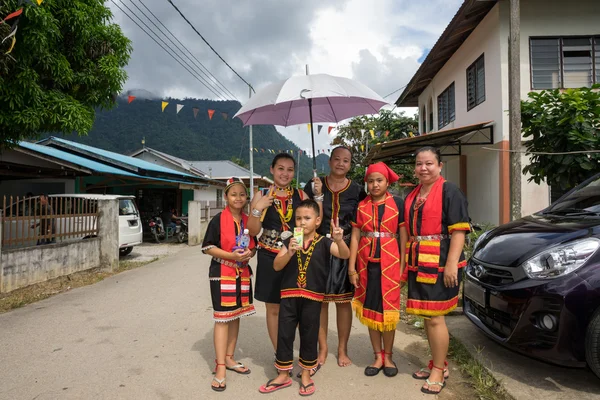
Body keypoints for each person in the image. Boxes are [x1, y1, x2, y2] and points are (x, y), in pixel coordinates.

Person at [258, 199, 349, 396]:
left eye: (307, 218)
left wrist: (339, 239)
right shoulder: (290, 241)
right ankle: (283, 374)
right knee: (285, 334)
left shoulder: (325, 242)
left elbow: (344, 254)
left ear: (317, 221)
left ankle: (306, 374)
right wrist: (289, 251)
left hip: (313, 298)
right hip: (289, 296)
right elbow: (276, 266)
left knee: (309, 335)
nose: (301, 222)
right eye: (298, 218)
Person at [403, 146, 470, 395]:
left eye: (429, 163)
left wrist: (452, 263)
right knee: (427, 317)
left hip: (441, 261)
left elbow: (459, 230)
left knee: (435, 318)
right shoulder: (414, 193)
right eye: (420, 163)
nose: (424, 168)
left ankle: (439, 370)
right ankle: (437, 364)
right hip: (419, 259)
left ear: (440, 166)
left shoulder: (450, 190)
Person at [304, 146, 366, 368]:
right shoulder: (314, 185)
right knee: (320, 302)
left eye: (346, 160)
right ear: (329, 161)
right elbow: (303, 215)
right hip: (319, 247)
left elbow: (363, 221)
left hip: (345, 248)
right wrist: (317, 194)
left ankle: (342, 349)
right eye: (337, 159)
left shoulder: (358, 190)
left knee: (342, 302)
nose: (341, 163)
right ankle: (323, 349)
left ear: (350, 165)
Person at [247, 153, 312, 353]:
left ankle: (305, 354)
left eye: (290, 169)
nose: (285, 173)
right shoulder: (262, 195)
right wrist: (258, 209)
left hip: (294, 255)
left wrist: (298, 246)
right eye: (281, 168)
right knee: (273, 308)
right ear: (272, 169)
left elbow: (308, 225)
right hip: (268, 254)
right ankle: (281, 354)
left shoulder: (301, 196)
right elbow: (253, 231)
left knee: (299, 307)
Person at [348, 162, 407, 378]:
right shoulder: (361, 206)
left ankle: (389, 356)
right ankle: (377, 356)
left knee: (388, 313)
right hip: (366, 265)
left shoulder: (397, 203)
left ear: (387, 182)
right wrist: (351, 267)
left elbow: (403, 238)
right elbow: (355, 237)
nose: (374, 185)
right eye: (370, 181)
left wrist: (402, 269)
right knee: (371, 310)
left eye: (379, 180)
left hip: (390, 265)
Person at [201, 177, 257, 392]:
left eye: (242, 194)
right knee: (223, 318)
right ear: (226, 197)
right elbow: (207, 247)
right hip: (222, 272)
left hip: (242, 273)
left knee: (235, 315)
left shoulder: (247, 221)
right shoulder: (218, 219)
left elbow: (254, 245)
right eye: (233, 194)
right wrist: (231, 256)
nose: (238, 198)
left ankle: (231, 358)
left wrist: (250, 253)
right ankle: (221, 367)